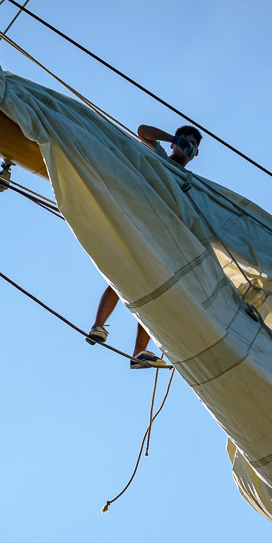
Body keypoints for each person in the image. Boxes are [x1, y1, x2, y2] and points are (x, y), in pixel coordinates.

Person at [85, 124, 203, 369]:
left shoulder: (190, 181)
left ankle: (140, 353)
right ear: (173, 144)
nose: (187, 147)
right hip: (142, 221)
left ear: (197, 154)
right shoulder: (158, 154)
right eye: (184, 142)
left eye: (192, 146)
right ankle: (98, 326)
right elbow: (142, 131)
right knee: (121, 276)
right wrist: (175, 138)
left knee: (155, 291)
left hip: (165, 236)